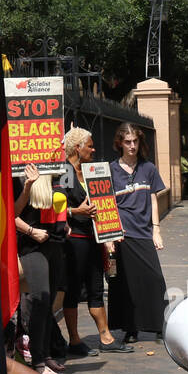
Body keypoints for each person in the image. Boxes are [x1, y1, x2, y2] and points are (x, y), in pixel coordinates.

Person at [53, 128, 132, 355]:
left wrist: (111, 228)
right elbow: (53, 206)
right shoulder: (64, 172)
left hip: (95, 238)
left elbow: (105, 201)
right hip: (73, 240)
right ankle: (75, 340)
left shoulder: (92, 171)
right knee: (74, 290)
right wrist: (76, 210)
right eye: (90, 145)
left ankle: (105, 337)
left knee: (97, 287)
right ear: (77, 147)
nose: (94, 149)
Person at [107, 123, 168, 343]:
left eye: (135, 141)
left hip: (144, 231)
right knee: (124, 282)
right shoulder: (111, 170)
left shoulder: (148, 168)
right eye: (127, 142)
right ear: (120, 143)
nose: (132, 146)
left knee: (154, 279)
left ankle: (160, 325)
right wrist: (110, 234)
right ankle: (130, 328)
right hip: (122, 233)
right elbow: (107, 203)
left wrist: (156, 230)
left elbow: (153, 198)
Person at [16, 163, 73, 373]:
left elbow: (58, 204)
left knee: (48, 301)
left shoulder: (55, 170)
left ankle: (45, 354)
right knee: (40, 296)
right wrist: (31, 231)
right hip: (32, 245)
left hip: (55, 243)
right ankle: (37, 359)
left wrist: (64, 223)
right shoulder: (19, 175)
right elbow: (11, 212)